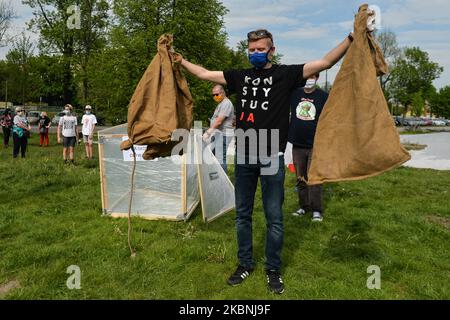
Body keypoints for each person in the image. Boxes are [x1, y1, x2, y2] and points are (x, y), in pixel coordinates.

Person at [180, 28, 354, 294]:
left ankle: (273, 270)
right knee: (243, 215)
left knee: (274, 217)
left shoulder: (285, 75)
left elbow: (325, 62)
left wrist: (351, 39)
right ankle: (245, 264)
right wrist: (179, 61)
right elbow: (204, 73)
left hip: (271, 155)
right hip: (245, 156)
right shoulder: (240, 77)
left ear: (272, 50)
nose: (256, 54)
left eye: (261, 49)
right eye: (251, 50)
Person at [288, 73, 328, 222]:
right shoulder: (294, 93)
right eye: (307, 76)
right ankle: (304, 206)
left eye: (313, 77)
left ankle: (316, 210)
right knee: (300, 178)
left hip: (315, 145)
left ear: (317, 78)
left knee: (315, 178)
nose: (309, 79)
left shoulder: (323, 96)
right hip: (297, 144)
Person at [202, 85, 235, 173]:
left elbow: (219, 121)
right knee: (212, 154)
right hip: (218, 134)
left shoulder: (226, 103)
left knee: (220, 158)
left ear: (222, 93)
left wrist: (208, 132)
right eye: (213, 95)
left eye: (216, 94)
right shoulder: (221, 103)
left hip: (223, 134)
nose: (215, 97)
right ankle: (214, 176)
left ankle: (223, 181)